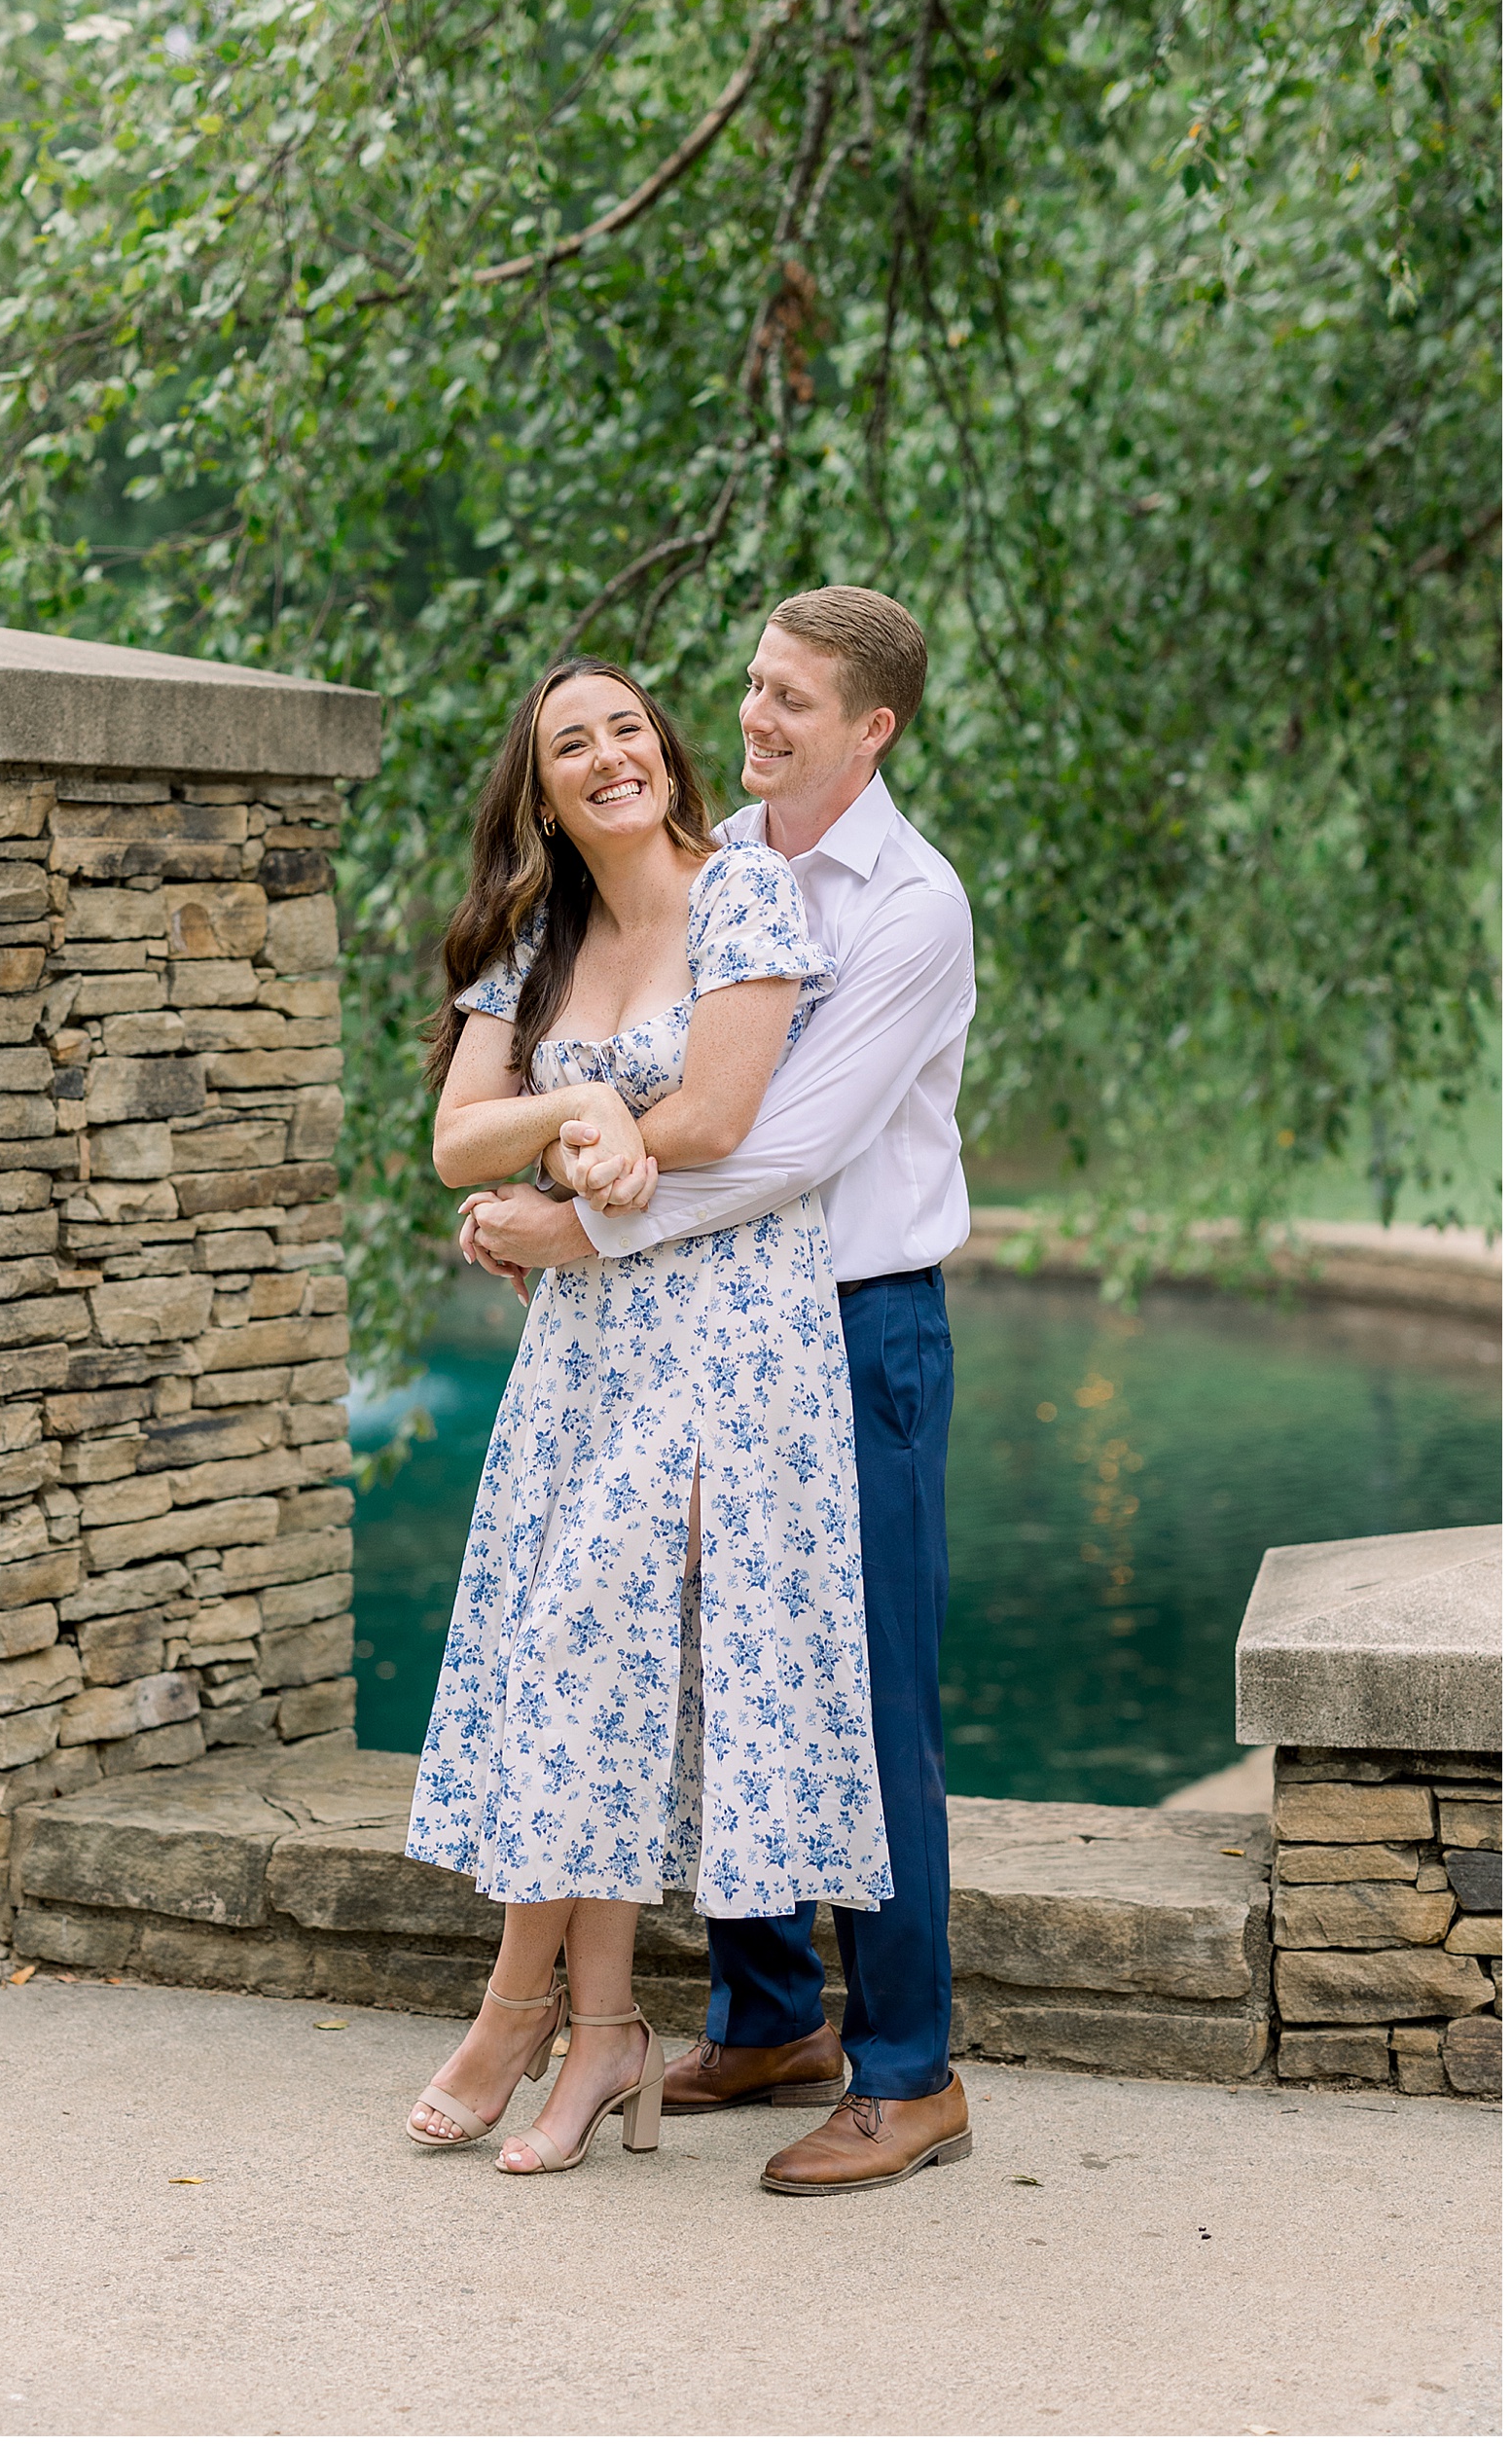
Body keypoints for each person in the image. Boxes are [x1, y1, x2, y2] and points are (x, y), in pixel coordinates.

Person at [458, 586, 976, 2196]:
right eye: (752, 686)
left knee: (861, 1687)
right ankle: (767, 2020)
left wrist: (570, 1227)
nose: (752, 717)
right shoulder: (721, 860)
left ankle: (910, 2074)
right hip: (706, 1324)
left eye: (792, 700)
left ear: (871, 728)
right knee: (714, 1674)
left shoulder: (912, 906)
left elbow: (782, 1143)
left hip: (860, 1317)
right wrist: (558, 1192)